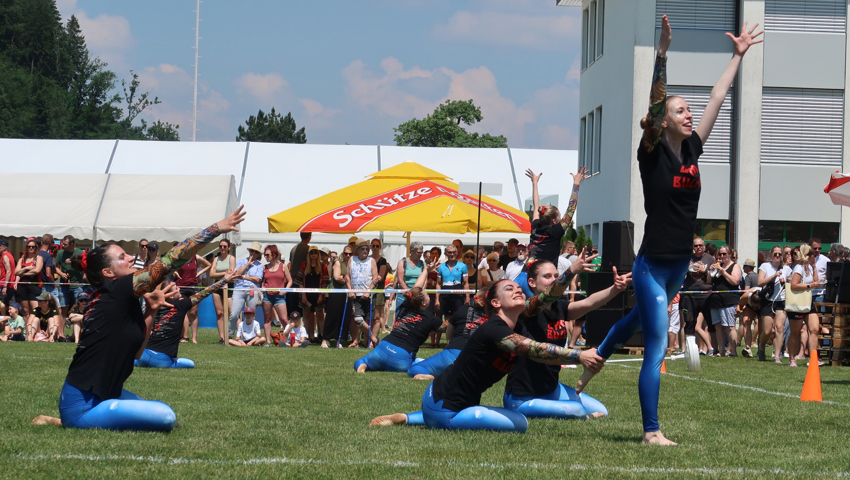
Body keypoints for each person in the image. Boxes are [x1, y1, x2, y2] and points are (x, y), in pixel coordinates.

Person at [573, 16, 762, 446]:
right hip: (652, 266)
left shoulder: (694, 147)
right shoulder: (652, 152)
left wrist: (737, 56)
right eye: (680, 110)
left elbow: (717, 96)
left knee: (637, 319)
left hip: (679, 265)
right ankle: (651, 431)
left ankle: (594, 360)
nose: (689, 114)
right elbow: (657, 102)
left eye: (687, 110)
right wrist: (662, 54)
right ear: (663, 120)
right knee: (656, 344)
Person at [31, 206, 246, 431]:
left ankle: (66, 420)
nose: (131, 258)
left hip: (106, 391)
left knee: (162, 416)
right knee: (165, 416)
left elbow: (136, 353)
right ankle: (68, 421)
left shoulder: (118, 298)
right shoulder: (116, 289)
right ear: (108, 273)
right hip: (82, 403)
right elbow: (167, 263)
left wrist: (150, 311)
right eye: (122, 257)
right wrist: (215, 229)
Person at [369, 273, 604, 432]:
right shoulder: (493, 329)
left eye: (520, 289)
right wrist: (578, 355)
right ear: (495, 303)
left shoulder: (518, 321)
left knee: (486, 414)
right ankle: (427, 417)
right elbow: (532, 349)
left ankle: (407, 418)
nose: (518, 291)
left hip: (444, 396)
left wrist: (571, 271)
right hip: (447, 407)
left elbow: (547, 297)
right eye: (509, 289)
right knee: (520, 423)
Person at [503, 256, 627, 420]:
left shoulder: (559, 307)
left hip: (551, 388)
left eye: (556, 276)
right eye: (547, 276)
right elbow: (547, 296)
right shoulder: (526, 309)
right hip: (523, 397)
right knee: (577, 410)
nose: (554, 280)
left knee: (602, 410)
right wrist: (571, 271)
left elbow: (589, 303)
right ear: (532, 282)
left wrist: (615, 289)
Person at [354, 262, 442, 373]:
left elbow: (415, 289)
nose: (429, 296)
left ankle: (362, 365)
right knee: (421, 363)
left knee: (364, 360)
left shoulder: (406, 306)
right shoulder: (431, 318)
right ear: (423, 303)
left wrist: (425, 270)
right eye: (427, 295)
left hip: (382, 348)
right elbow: (445, 328)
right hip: (401, 359)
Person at [137, 270, 235, 368]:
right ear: (170, 295)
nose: (179, 288)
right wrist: (224, 280)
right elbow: (205, 292)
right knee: (190, 364)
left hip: (143, 355)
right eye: (176, 289)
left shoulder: (154, 306)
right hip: (163, 360)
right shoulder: (181, 305)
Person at [525, 167, 589, 265]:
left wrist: (534, 183)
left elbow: (536, 206)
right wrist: (576, 184)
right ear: (554, 221)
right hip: (545, 273)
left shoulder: (535, 226)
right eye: (559, 217)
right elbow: (571, 209)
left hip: (529, 270)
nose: (560, 219)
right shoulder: (555, 231)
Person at [787, 244, 822, 367]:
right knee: (795, 332)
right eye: (813, 254)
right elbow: (794, 285)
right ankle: (792, 359)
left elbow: (814, 281)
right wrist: (810, 286)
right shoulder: (799, 268)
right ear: (808, 255)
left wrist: (814, 267)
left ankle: (813, 359)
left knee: (815, 329)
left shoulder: (809, 268)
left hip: (807, 301)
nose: (815, 256)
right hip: (798, 303)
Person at [757, 246, 790, 363]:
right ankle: (761, 347)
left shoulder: (786, 269)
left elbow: (791, 282)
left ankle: (777, 356)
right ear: (771, 255)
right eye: (775, 254)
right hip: (768, 300)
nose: (777, 256)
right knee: (767, 331)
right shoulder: (765, 266)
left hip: (781, 301)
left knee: (780, 328)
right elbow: (760, 282)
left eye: (779, 254)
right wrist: (774, 276)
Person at [707, 245, 741, 357]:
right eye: (720, 254)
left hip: (728, 300)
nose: (722, 256)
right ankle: (721, 351)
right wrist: (710, 272)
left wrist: (724, 272)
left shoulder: (735, 266)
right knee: (718, 326)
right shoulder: (718, 266)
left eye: (724, 254)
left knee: (729, 326)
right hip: (716, 299)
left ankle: (733, 351)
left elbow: (735, 281)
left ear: (730, 254)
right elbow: (708, 281)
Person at [347, 240, 379, 348]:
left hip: (368, 295)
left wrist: (369, 291)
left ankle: (367, 342)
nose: (365, 251)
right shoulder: (352, 259)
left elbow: (375, 278)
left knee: (369, 319)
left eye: (367, 249)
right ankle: (374, 338)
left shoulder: (372, 260)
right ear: (357, 250)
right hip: (356, 295)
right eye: (363, 249)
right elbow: (347, 276)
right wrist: (350, 289)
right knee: (358, 319)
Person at [228, 242, 264, 339]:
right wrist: (247, 264)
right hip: (239, 289)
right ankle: (229, 336)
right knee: (234, 313)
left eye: (256, 252)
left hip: (252, 290)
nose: (253, 253)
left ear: (258, 254)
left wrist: (244, 276)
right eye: (252, 251)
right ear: (249, 251)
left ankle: (251, 336)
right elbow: (236, 274)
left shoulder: (259, 265)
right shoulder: (241, 261)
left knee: (252, 315)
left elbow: (258, 279)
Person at [174, 252, 211, 344]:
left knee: (193, 313)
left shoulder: (196, 257)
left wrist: (199, 273)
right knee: (182, 311)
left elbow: (209, 265)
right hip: (181, 287)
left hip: (193, 287)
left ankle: (194, 338)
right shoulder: (178, 257)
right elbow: (168, 267)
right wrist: (175, 272)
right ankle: (185, 337)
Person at [295, 245, 329, 344]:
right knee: (306, 314)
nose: (313, 254)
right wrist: (303, 294)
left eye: (315, 252)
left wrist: (321, 295)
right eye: (312, 252)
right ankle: (306, 336)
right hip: (306, 293)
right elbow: (299, 280)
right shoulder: (304, 265)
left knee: (320, 314)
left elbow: (325, 282)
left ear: (318, 254)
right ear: (309, 254)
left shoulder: (323, 266)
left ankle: (321, 335)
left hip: (318, 294)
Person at [435, 244, 470, 339]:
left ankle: (458, 339)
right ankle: (449, 341)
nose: (452, 254)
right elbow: (438, 284)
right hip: (445, 293)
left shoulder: (462, 266)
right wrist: (437, 299)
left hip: (458, 293)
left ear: (457, 253)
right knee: (447, 319)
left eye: (454, 252)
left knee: (458, 317)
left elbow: (466, 283)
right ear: (446, 253)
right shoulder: (441, 266)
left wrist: (467, 297)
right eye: (449, 252)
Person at [322, 245, 352, 348]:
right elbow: (337, 277)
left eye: (350, 254)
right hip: (336, 292)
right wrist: (348, 281)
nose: (348, 255)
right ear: (343, 253)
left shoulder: (351, 264)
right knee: (332, 315)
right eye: (346, 253)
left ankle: (339, 339)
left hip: (345, 293)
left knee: (343, 316)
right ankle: (325, 339)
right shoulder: (339, 262)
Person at [262, 244, 292, 346]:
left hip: (279, 296)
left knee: (284, 319)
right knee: (267, 318)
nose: (265, 257)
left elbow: (290, 281)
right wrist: (262, 288)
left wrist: (285, 290)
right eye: (264, 255)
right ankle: (268, 341)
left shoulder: (283, 266)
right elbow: (262, 281)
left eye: (267, 254)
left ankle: (287, 340)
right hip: (267, 296)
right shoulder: (264, 267)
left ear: (274, 254)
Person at [210, 239, 236, 344]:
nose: (222, 248)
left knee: (231, 312)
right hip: (217, 286)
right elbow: (211, 274)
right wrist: (223, 274)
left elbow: (230, 273)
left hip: (228, 286)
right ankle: (222, 337)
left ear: (229, 247)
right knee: (219, 313)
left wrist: (220, 273)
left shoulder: (231, 258)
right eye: (221, 246)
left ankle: (232, 335)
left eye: (225, 246)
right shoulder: (216, 259)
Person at [56, 235, 85, 325]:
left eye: (65, 244)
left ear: (72, 244)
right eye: (62, 243)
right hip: (64, 285)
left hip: (77, 284)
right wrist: (61, 274)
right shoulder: (61, 253)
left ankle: (77, 334)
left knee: (80, 308)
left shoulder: (80, 253)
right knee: (63, 308)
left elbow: (84, 267)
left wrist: (73, 262)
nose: (63, 245)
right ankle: (61, 334)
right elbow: (56, 268)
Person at [15, 238, 43, 317]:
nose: (30, 248)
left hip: (34, 285)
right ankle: (27, 329)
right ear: (26, 248)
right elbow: (16, 272)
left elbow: (37, 270)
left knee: (35, 310)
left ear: (36, 248)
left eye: (33, 247)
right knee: (25, 311)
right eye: (29, 246)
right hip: (22, 286)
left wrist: (22, 273)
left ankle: (36, 328)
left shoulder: (38, 258)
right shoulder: (22, 259)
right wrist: (27, 268)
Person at [287, 232, 312, 318]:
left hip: (293, 280)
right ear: (309, 237)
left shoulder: (294, 248)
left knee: (293, 306)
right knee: (304, 307)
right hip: (303, 280)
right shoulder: (309, 249)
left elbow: (290, 264)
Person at [369, 239, 389, 341]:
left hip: (378, 290)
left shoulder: (382, 260)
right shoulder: (367, 259)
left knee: (377, 317)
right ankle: (364, 339)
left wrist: (374, 281)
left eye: (377, 246)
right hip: (367, 290)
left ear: (380, 247)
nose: (375, 248)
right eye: (373, 246)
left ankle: (374, 340)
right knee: (367, 317)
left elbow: (381, 276)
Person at [0, 239, 17, 313]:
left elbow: (9, 271)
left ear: (4, 247)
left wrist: (5, 286)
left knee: (3, 305)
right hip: (9, 285)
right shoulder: (9, 255)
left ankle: (3, 321)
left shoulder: (5, 256)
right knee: (11, 306)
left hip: (6, 285)